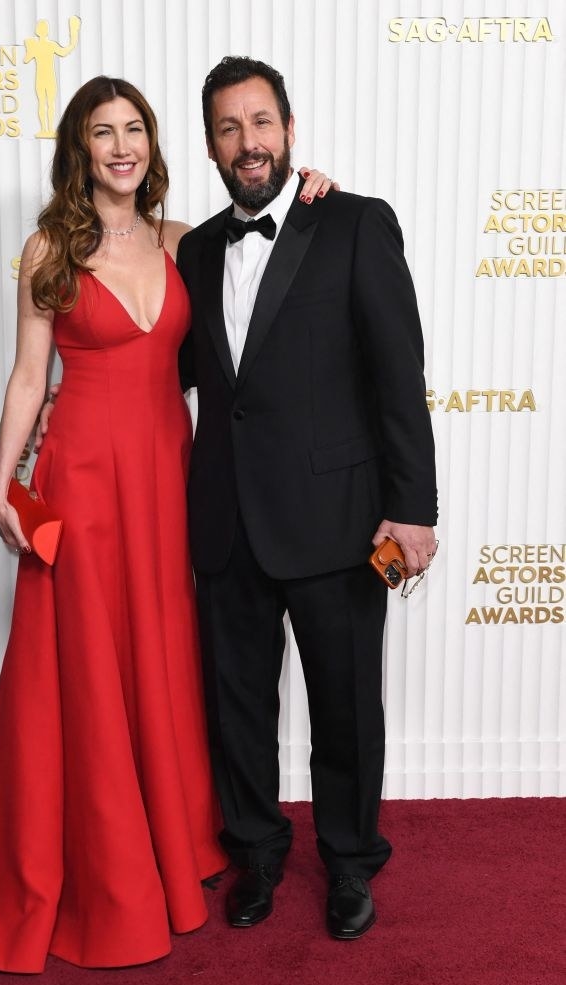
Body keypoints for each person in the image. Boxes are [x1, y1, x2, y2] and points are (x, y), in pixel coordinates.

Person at [0, 75, 331, 972]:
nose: (121, 146)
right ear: (80, 149)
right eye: (102, 132)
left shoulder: (187, 242)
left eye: (133, 128)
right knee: (83, 664)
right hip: (83, 479)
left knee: (163, 650)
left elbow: (271, 255)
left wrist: (313, 188)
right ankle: (94, 859)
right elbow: (30, 375)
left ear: (152, 142)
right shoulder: (49, 249)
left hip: (168, 475)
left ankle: (171, 840)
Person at [174, 56, 438, 940]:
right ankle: (254, 853)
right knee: (237, 706)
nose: (247, 143)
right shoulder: (199, 248)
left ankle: (352, 861)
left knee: (347, 706)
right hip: (227, 522)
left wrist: (415, 509)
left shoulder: (357, 224)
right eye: (227, 127)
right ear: (209, 145)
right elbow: (165, 369)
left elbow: (400, 377)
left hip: (338, 518)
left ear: (289, 129)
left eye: (260, 122)